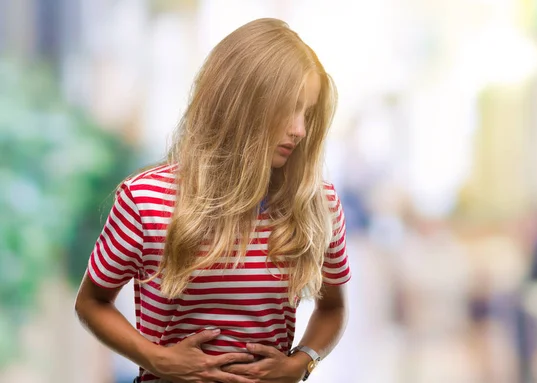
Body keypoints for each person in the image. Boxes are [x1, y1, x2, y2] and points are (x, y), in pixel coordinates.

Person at [74, 18, 351, 383]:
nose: (300, 129)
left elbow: (333, 308)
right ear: (241, 103)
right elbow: (91, 303)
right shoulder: (146, 199)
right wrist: (157, 359)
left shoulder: (316, 203)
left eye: (308, 112)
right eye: (289, 108)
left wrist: (302, 362)